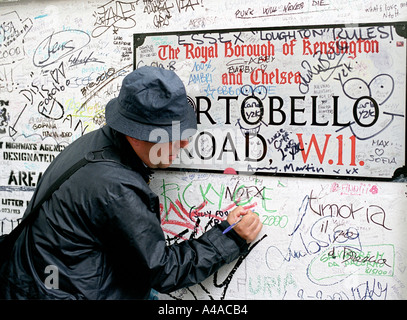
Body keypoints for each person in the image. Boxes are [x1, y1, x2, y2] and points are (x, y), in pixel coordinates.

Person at [0, 66, 262, 299]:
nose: (184, 142)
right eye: (170, 133)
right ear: (135, 136)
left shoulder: (94, 145)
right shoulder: (115, 186)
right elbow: (162, 271)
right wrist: (230, 237)